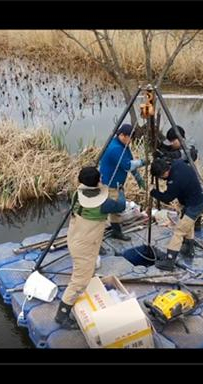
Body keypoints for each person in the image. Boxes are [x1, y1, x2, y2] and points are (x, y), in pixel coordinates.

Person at [55, 166, 126, 329]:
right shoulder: (104, 205)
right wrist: (120, 191)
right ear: (98, 181)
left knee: (87, 269)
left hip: (76, 237)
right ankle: (62, 314)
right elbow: (121, 205)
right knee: (79, 281)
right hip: (85, 247)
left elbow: (96, 188)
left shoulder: (77, 192)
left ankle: (81, 290)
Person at [149, 158, 203, 271]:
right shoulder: (177, 163)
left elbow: (167, 198)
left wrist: (153, 192)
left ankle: (169, 261)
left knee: (179, 231)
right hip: (198, 200)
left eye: (161, 177)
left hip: (195, 205)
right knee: (188, 223)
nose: (162, 179)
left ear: (164, 173)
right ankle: (188, 248)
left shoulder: (174, 181)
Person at [99, 123, 147, 241]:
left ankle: (116, 232)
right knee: (114, 208)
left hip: (117, 184)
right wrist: (143, 162)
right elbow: (127, 165)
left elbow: (129, 162)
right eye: (130, 137)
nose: (131, 141)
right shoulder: (115, 148)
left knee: (116, 211)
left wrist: (138, 178)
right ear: (122, 135)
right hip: (109, 184)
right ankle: (97, 239)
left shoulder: (123, 146)